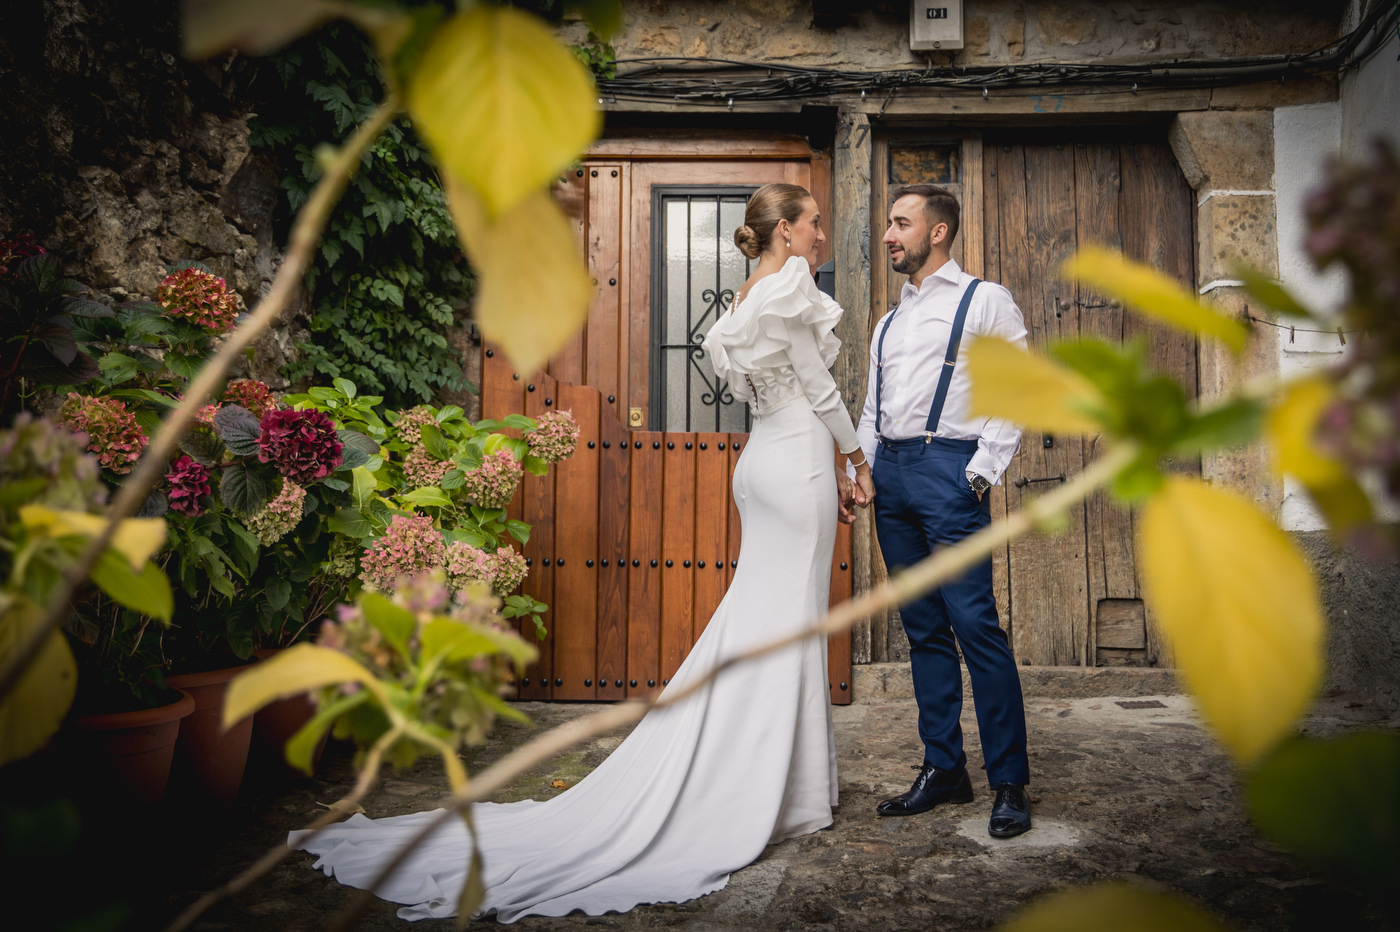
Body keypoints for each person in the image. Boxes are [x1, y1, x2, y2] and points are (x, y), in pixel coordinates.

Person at [290, 183, 875, 922]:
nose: (822, 234)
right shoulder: (791, 287)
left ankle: (780, 783)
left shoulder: (741, 301)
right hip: (800, 460)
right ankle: (771, 792)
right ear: (785, 231)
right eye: (814, 223)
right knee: (786, 621)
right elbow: (819, 388)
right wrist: (857, 460)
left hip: (760, 463)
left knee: (762, 617)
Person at [848, 183, 1033, 838]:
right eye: (889, 224)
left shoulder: (986, 301)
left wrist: (979, 474)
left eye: (901, 223)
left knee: (975, 625)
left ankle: (1009, 780)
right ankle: (944, 767)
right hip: (892, 478)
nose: (890, 235)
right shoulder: (889, 321)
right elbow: (874, 409)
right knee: (922, 629)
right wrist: (861, 472)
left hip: (949, 470)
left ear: (938, 232)